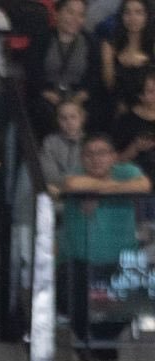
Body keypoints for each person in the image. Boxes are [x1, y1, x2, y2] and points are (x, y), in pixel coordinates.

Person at [58, 133, 150, 340]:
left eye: (102, 153)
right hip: (79, 262)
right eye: (89, 154)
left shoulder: (126, 171)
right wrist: (113, 189)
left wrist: (98, 190)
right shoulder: (76, 173)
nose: (95, 158)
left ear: (113, 156)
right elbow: (72, 185)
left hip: (121, 261)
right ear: (82, 158)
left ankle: (103, 346)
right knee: (72, 301)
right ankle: (87, 346)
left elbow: (143, 186)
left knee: (126, 303)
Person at [26, 0, 91, 133]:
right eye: (70, 12)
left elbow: (94, 75)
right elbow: (33, 71)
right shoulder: (41, 39)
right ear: (56, 14)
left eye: (80, 15)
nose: (75, 19)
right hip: (47, 94)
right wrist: (46, 92)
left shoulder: (90, 42)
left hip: (78, 94)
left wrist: (80, 96)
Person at [103, 0, 155, 117]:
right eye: (127, 12)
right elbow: (108, 86)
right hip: (115, 112)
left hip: (147, 115)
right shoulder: (110, 47)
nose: (132, 18)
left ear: (147, 16)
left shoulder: (152, 50)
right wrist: (108, 62)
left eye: (138, 12)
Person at [41, 98, 86, 193]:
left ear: (82, 118)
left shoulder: (90, 142)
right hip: (58, 191)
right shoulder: (50, 142)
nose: (69, 122)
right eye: (63, 118)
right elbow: (49, 174)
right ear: (58, 120)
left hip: (84, 191)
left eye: (73, 117)